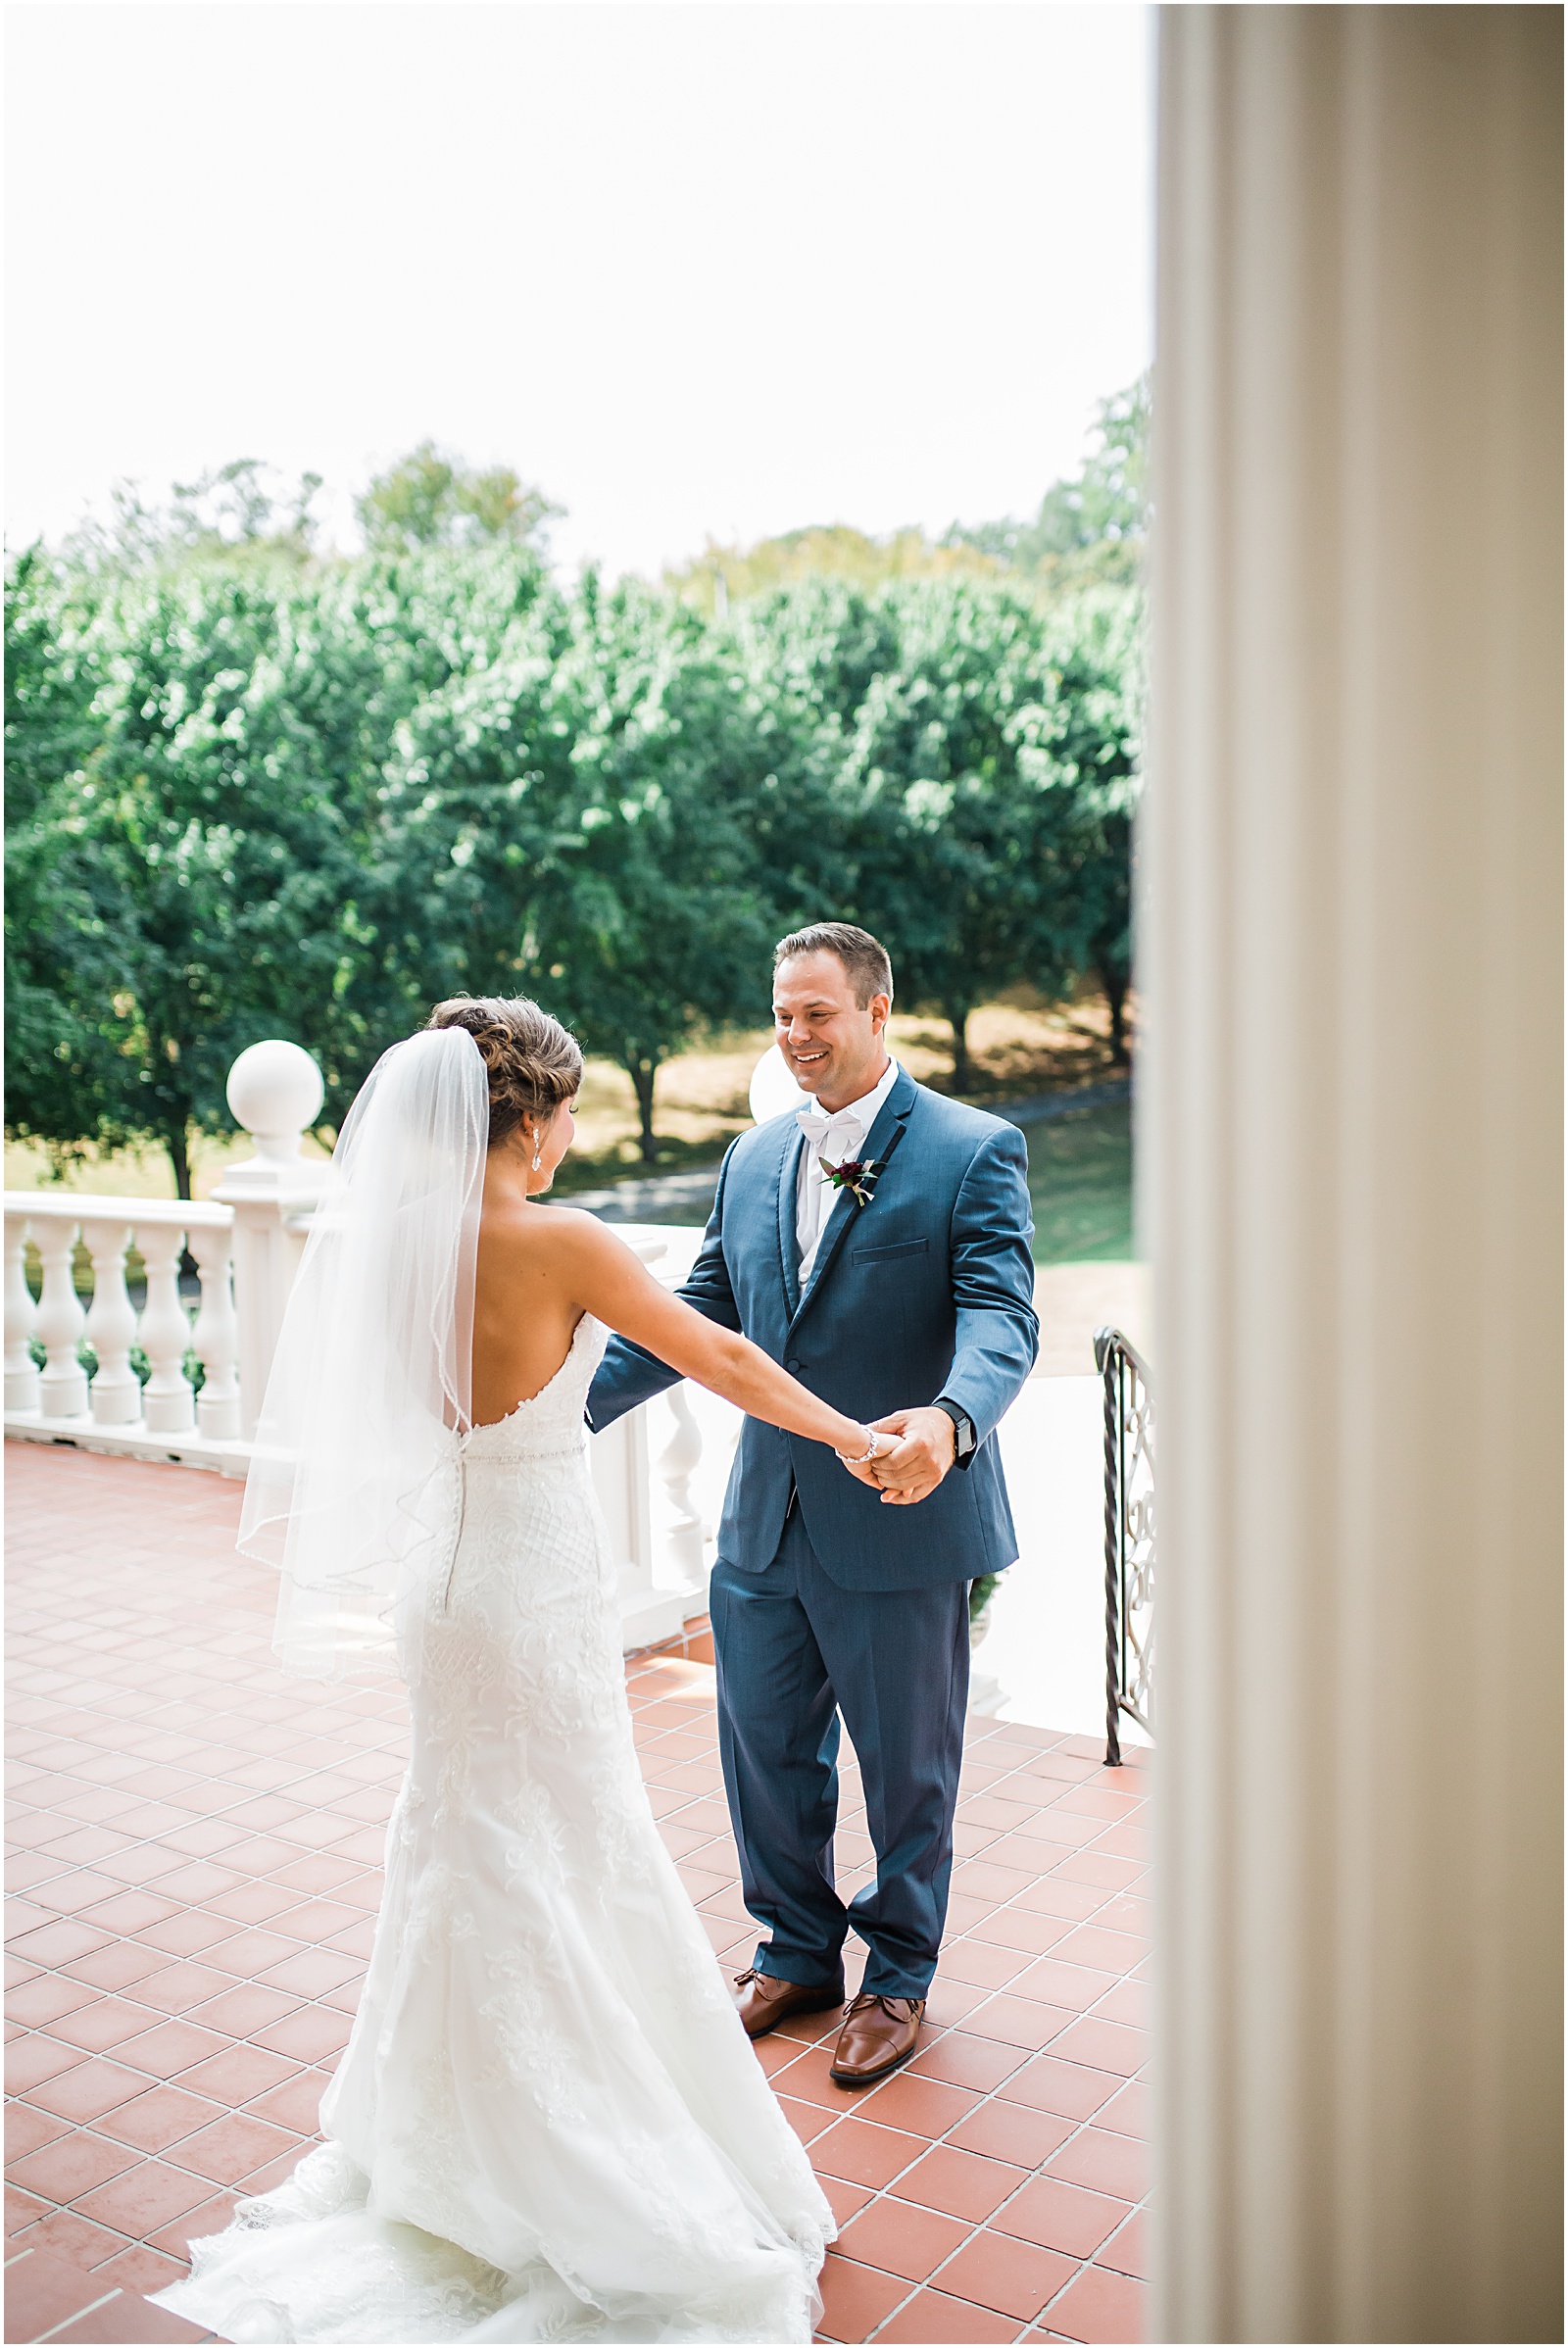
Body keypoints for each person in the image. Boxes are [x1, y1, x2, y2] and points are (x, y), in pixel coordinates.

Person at [155, 997, 898, 2346]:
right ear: (534, 1122)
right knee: (568, 1840)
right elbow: (720, 1356)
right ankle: (565, 2158)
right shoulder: (560, 1239)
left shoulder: (386, 1248)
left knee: (462, 1835)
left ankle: (438, 2143)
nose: (565, 1144)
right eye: (563, 1118)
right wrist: (854, 1435)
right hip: (532, 1582)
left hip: (439, 1577)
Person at [588, 924, 1038, 2088]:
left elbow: (1002, 1315)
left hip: (901, 1508)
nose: (794, 1034)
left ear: (878, 1011)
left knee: (906, 1765)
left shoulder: (970, 1146)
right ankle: (795, 1949)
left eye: (817, 1013)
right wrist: (555, 1411)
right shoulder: (748, 1159)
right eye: (781, 1013)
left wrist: (947, 1417)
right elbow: (697, 1314)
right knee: (762, 1751)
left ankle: (896, 1974)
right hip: (762, 1520)